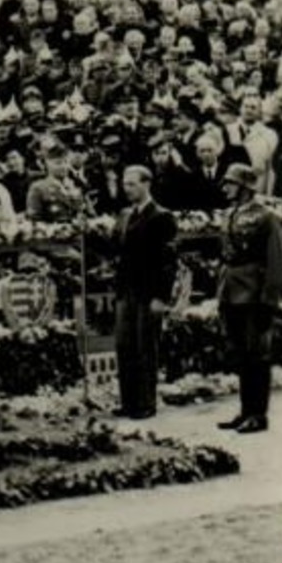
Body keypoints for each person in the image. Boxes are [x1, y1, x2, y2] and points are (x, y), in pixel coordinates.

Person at [214, 163, 282, 435]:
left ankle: (258, 414)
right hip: (232, 291)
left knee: (257, 355)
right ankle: (246, 411)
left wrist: (269, 300)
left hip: (254, 293)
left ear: (245, 187)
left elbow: (277, 260)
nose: (226, 188)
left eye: (231, 183)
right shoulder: (230, 213)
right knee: (241, 355)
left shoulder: (266, 217)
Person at [111, 165, 178, 421]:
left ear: (146, 184)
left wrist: (161, 296)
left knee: (145, 347)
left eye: (132, 184)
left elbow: (168, 261)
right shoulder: (126, 215)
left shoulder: (161, 216)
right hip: (125, 290)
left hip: (148, 292)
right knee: (124, 346)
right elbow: (117, 249)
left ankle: (146, 402)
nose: (127, 189)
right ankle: (128, 401)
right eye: (124, 184)